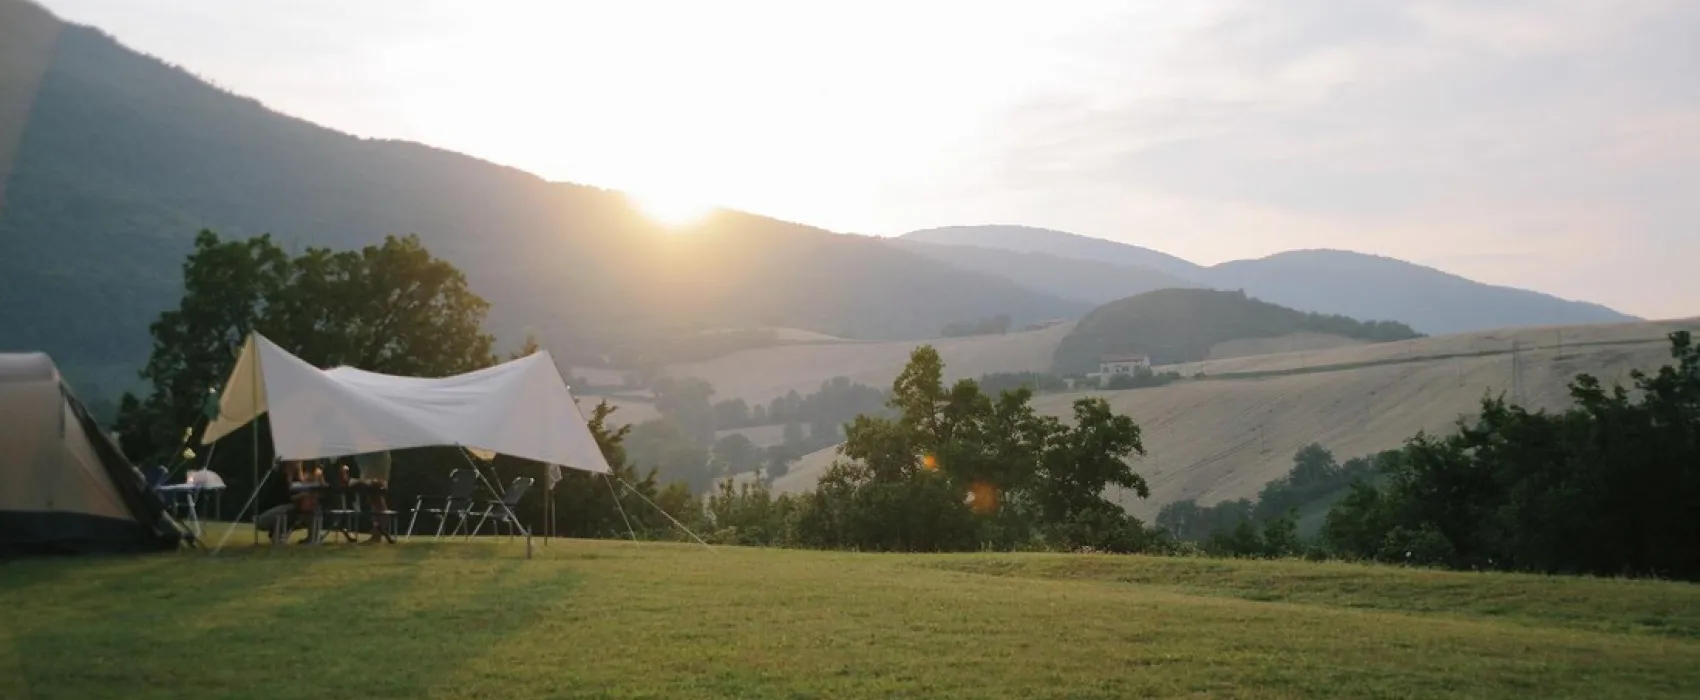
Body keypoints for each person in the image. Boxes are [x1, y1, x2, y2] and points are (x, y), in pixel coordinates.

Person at [352, 450, 394, 543]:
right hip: (369, 459)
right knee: (373, 498)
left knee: (376, 496)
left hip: (374, 459)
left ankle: (379, 531)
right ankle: (378, 530)